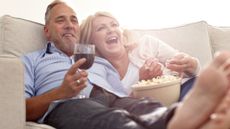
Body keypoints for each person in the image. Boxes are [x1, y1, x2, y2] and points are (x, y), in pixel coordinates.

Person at [22, 0, 230, 129]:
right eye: (60, 20)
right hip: (68, 103)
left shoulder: (98, 59)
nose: (69, 24)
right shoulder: (31, 61)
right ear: (47, 31)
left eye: (73, 20)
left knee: (147, 108)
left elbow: (126, 92)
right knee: (111, 120)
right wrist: (60, 92)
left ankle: (179, 119)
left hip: (116, 98)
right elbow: (17, 108)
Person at [80, 11, 200, 101]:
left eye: (114, 25)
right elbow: (116, 108)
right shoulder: (94, 73)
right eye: (101, 28)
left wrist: (191, 64)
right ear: (91, 42)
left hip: (182, 91)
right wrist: (142, 85)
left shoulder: (147, 44)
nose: (111, 30)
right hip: (151, 111)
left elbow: (191, 71)